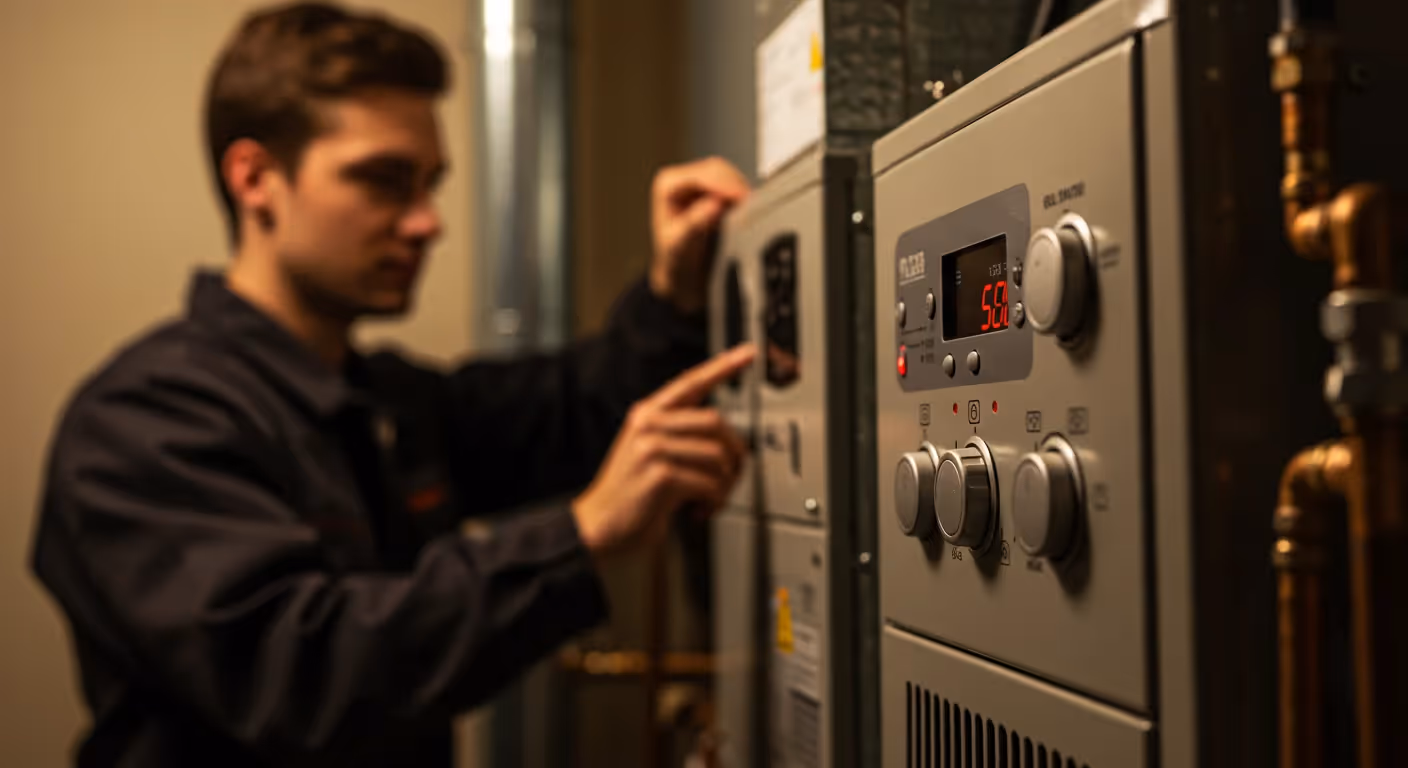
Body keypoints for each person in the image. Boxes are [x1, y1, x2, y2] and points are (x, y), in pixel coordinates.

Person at [30, 3, 753, 767]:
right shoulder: (143, 423)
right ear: (255, 178)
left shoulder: (385, 401)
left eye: (430, 184)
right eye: (384, 181)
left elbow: (575, 406)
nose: (425, 223)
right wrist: (578, 536)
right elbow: (305, 674)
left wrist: (674, 295)